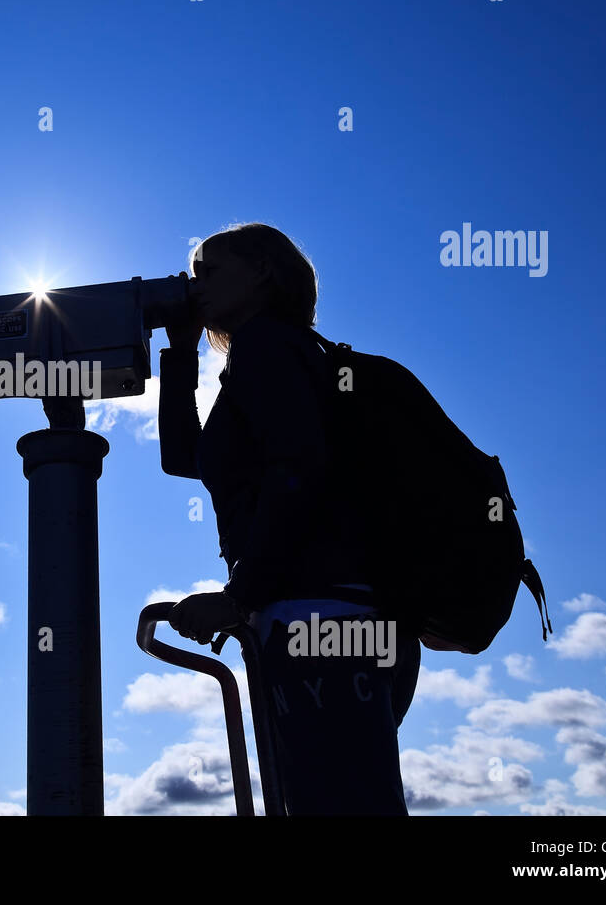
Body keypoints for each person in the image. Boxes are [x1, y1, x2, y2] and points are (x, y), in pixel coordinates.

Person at [160, 222, 421, 815]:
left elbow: (299, 467)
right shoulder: (276, 357)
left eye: (211, 271)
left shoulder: (269, 348)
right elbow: (186, 460)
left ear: (262, 273)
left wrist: (240, 594)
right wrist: (180, 352)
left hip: (322, 615)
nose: (195, 286)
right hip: (335, 616)